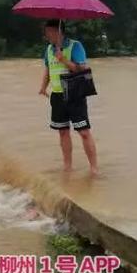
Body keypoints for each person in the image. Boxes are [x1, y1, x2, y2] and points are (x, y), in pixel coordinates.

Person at [38, 19, 99, 175]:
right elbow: (48, 69)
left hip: (75, 94)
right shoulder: (49, 49)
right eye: (46, 33)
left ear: (58, 31)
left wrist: (64, 59)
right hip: (57, 95)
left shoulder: (75, 46)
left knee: (84, 132)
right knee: (63, 132)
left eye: (48, 32)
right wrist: (43, 87)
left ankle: (94, 168)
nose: (46, 36)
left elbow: (83, 69)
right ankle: (68, 167)